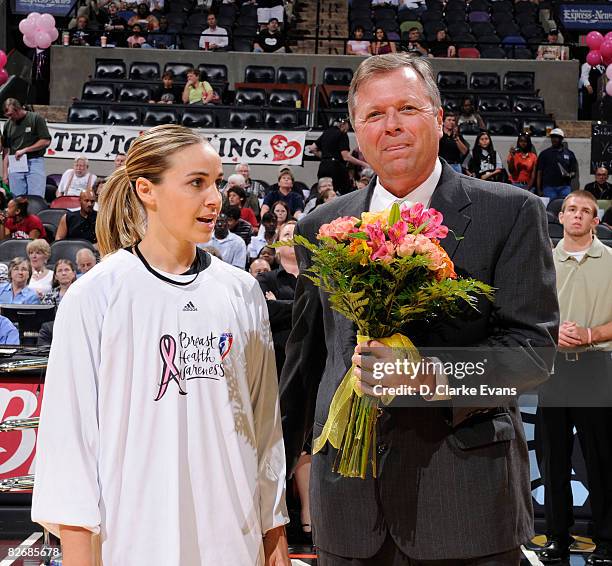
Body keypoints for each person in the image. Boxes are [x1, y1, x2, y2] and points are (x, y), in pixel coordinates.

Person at [280, 53, 558, 566]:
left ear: (437, 116)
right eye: (374, 115)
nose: (391, 127)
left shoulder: (510, 212)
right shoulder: (320, 225)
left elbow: (532, 356)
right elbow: (308, 359)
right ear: (356, 130)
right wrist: (273, 490)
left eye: (407, 108)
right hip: (346, 509)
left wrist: (428, 379)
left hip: (466, 504)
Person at [31, 124, 289, 566]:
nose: (215, 198)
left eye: (217, 182)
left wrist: (275, 544)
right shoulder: (96, 295)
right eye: (196, 183)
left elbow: (265, 432)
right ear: (146, 190)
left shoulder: (242, 291)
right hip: (130, 542)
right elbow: (69, 450)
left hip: (233, 540)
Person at [536, 190, 612, 566]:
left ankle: (608, 541)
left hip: (597, 367)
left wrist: (589, 334)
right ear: (561, 217)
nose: (578, 215)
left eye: (586, 211)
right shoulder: (543, 262)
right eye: (572, 209)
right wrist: (553, 333)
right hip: (554, 369)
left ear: (596, 221)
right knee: (553, 459)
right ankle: (556, 538)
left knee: (602, 458)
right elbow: (530, 317)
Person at [2, 98, 51, 198]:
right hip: (15, 164)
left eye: (11, 114)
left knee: (36, 198)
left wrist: (25, 150)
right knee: (17, 199)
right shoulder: (8, 124)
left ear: (18, 109)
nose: (10, 118)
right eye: (7, 116)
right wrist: (5, 173)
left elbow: (46, 141)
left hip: (34, 161)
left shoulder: (35, 118)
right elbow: (6, 150)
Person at [308, 118, 369, 195]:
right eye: (348, 125)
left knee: (325, 192)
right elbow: (345, 156)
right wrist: (364, 164)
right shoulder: (342, 134)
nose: (348, 128)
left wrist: (326, 157)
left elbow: (312, 148)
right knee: (346, 192)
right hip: (336, 168)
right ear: (343, 124)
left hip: (323, 166)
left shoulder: (327, 132)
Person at [536, 128, 578, 200]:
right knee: (550, 209)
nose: (554, 139)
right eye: (552, 137)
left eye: (556, 137)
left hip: (565, 188)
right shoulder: (544, 154)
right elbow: (539, 172)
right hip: (548, 188)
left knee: (564, 208)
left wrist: (569, 175)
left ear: (561, 139)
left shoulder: (569, 154)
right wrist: (539, 189)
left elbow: (574, 171)